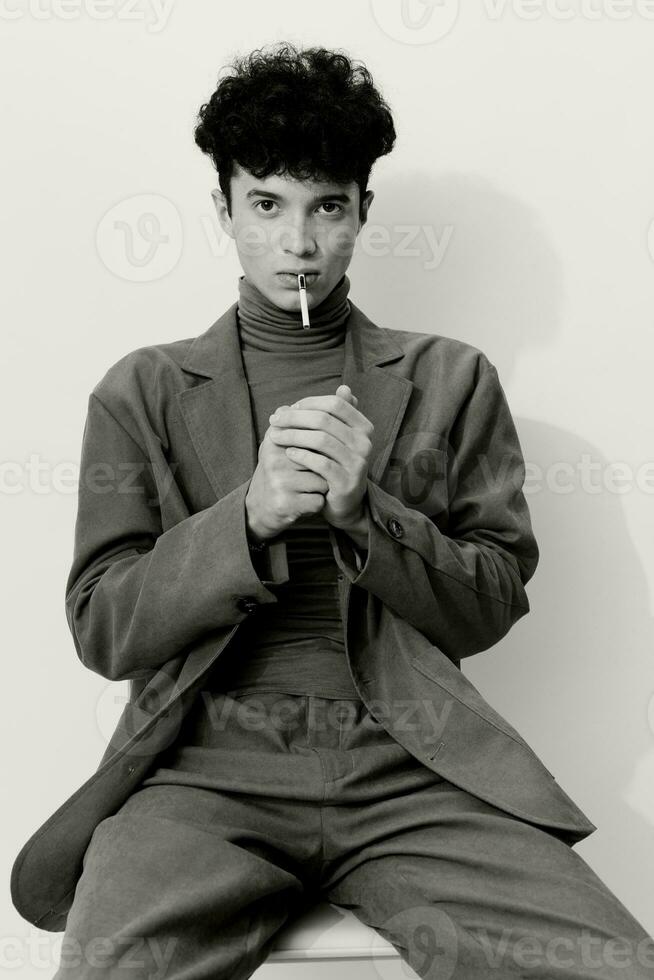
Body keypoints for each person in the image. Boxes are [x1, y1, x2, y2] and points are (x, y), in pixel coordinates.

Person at [13, 41, 654, 979]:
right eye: (267, 205)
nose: (299, 245)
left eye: (328, 209)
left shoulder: (450, 379)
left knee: (613, 966)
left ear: (363, 212)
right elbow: (103, 628)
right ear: (223, 209)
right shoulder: (141, 392)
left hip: (412, 767)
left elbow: (488, 604)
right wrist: (247, 519)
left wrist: (367, 515)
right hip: (204, 772)